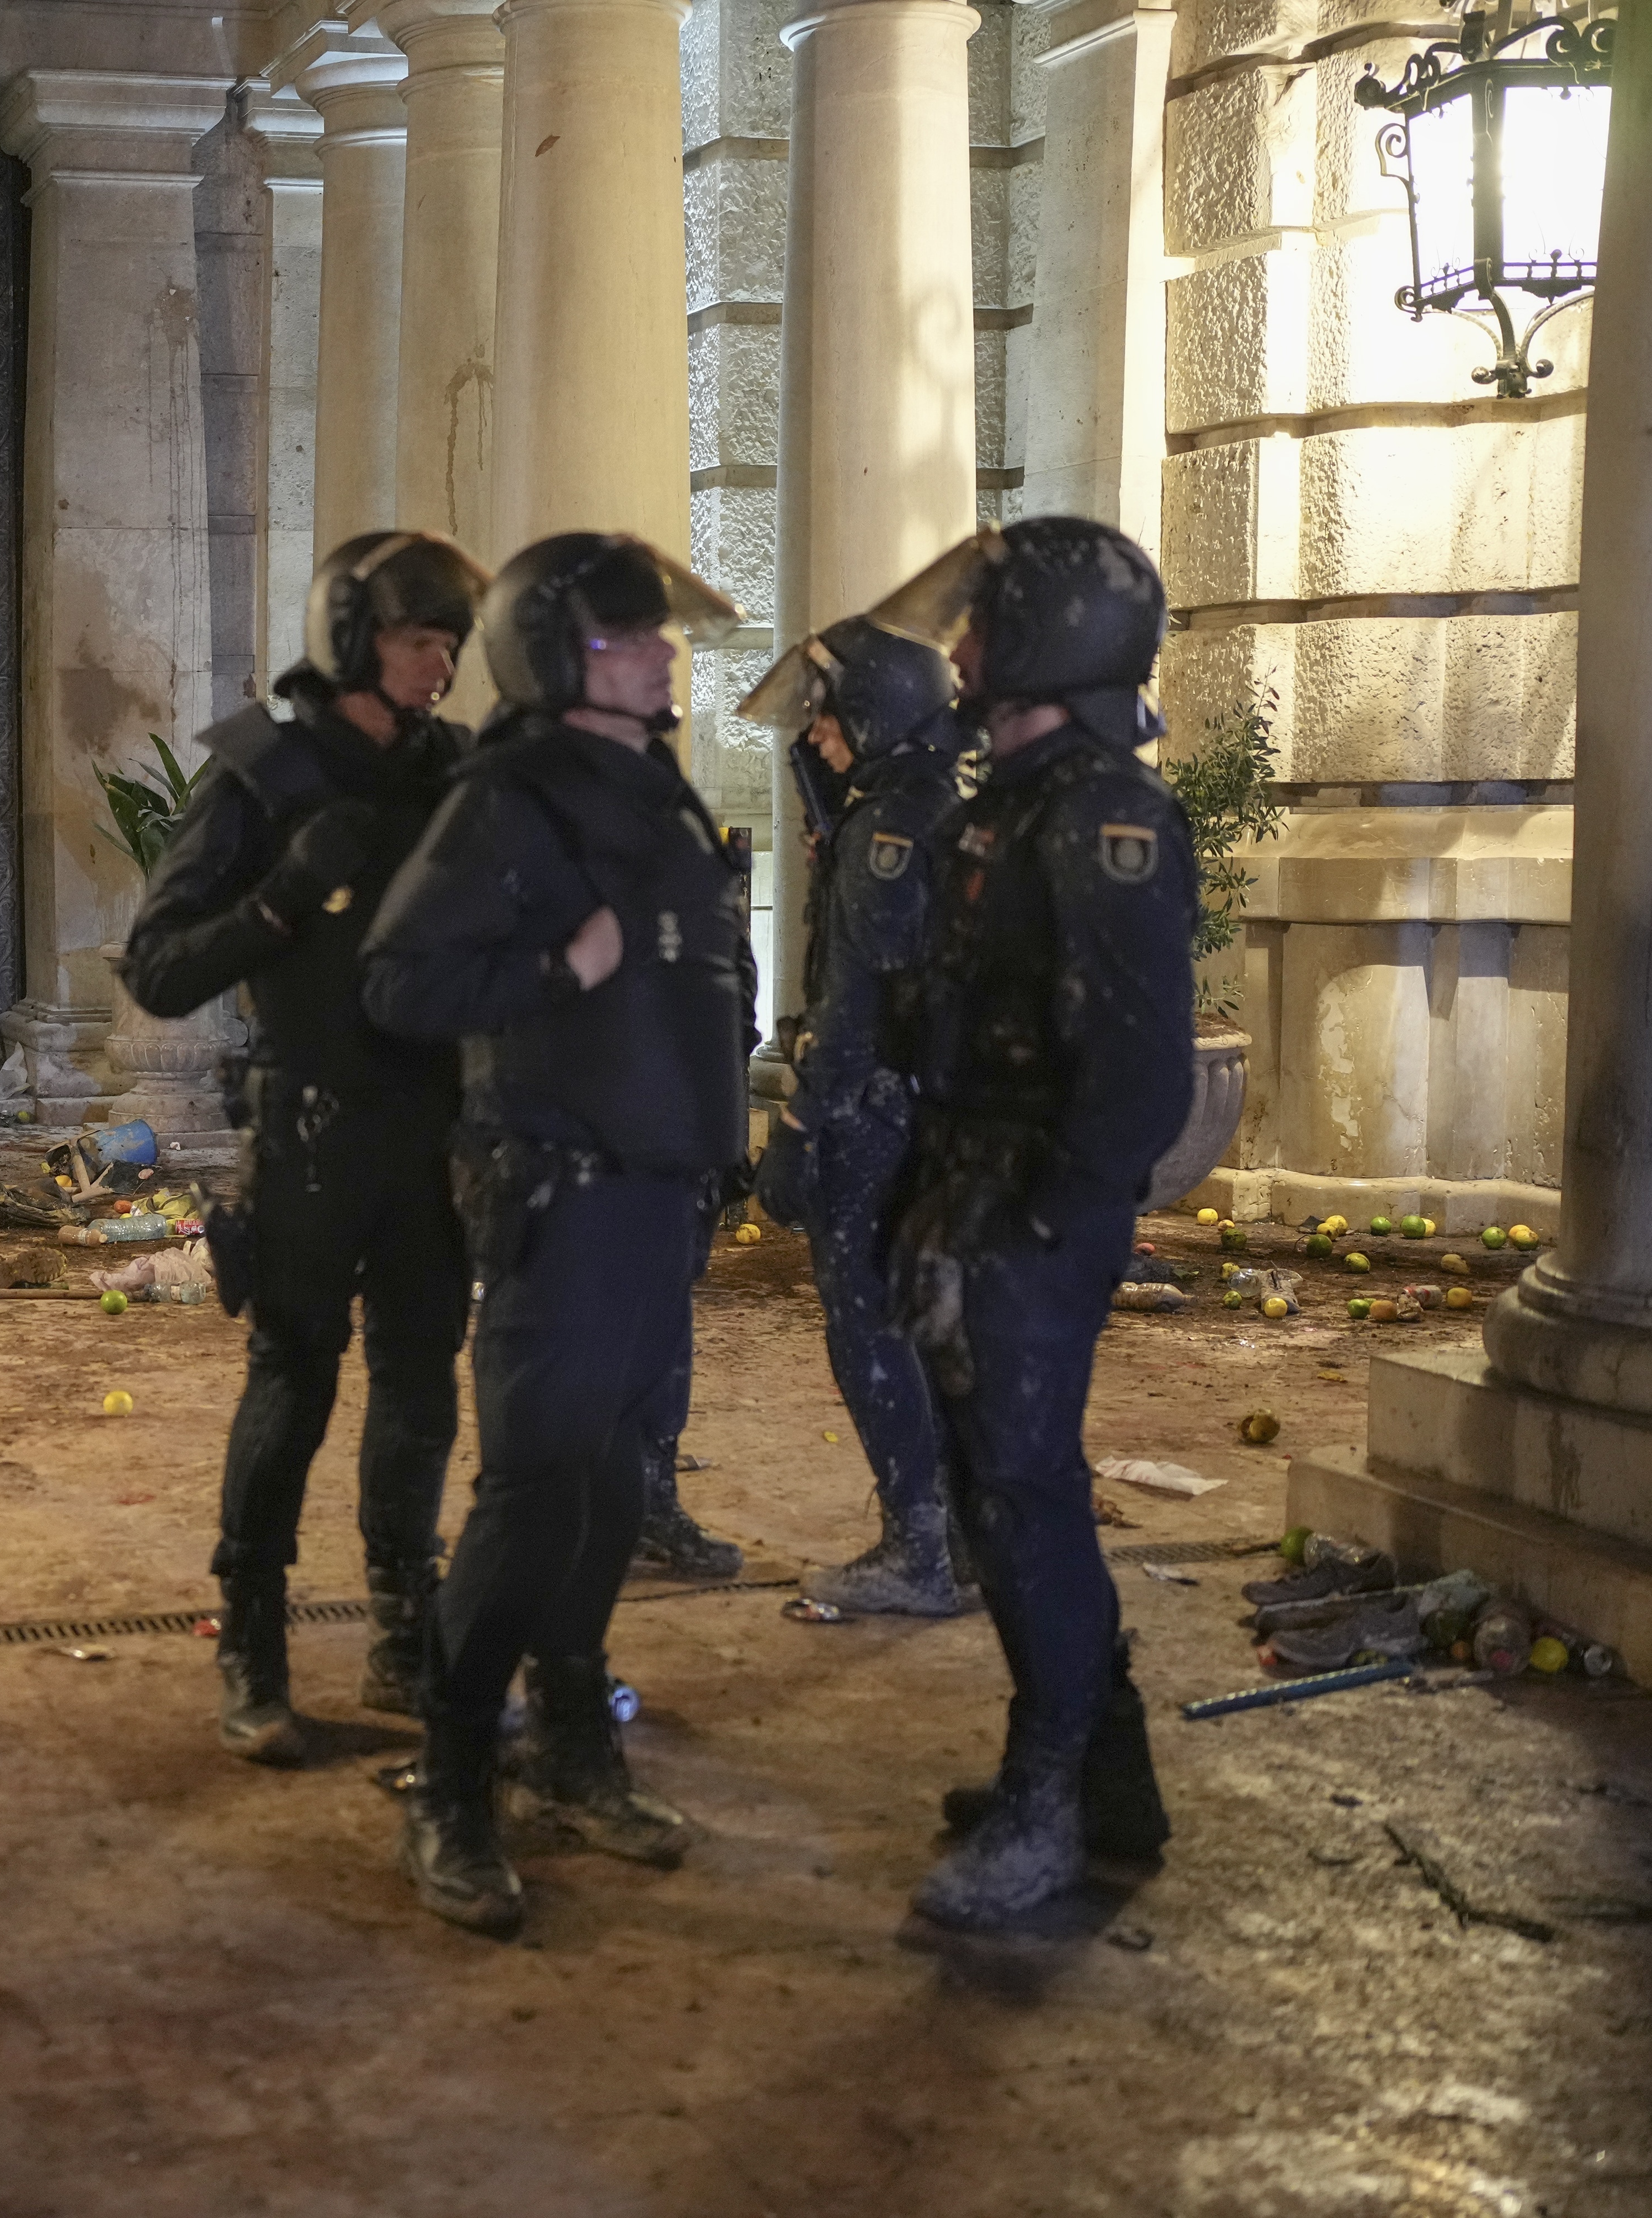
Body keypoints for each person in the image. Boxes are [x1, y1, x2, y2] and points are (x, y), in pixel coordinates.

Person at [360, 532, 755, 1935]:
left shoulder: (646, 782)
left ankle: (577, 1744)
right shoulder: (511, 794)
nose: (666, 656)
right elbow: (403, 976)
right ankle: (454, 1784)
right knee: (532, 1494)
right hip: (564, 1198)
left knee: (602, 1494)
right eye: (638, 638)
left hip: (657, 1197)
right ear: (566, 655)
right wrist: (554, 967)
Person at [120, 530, 493, 1765]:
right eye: (414, 638)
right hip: (310, 1134)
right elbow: (159, 968)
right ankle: (254, 1644)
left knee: (422, 1383)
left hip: (430, 1134)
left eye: (450, 641)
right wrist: (278, 898)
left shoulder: (457, 773)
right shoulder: (263, 772)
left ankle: (403, 1629)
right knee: (292, 1386)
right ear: (352, 638)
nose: (438, 664)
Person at [874, 516, 1196, 1929]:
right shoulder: (1009, 801)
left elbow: (1137, 1078)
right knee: (1007, 1497)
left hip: (1026, 1222)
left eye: (985, 623)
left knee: (1024, 1495)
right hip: (971, 1195)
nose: (958, 645)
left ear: (1055, 639)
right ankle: (1105, 1780)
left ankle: (1050, 1802)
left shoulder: (1105, 815)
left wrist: (1051, 1236)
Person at [740, 617, 973, 1617]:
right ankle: (955, 1539)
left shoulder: (886, 834)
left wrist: (798, 1128)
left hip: (870, 1115)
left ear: (877, 715)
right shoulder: (922, 807)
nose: (819, 735)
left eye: (830, 718)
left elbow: (854, 1007)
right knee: (923, 1327)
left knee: (869, 1329)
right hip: (924, 1110)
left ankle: (915, 1550)